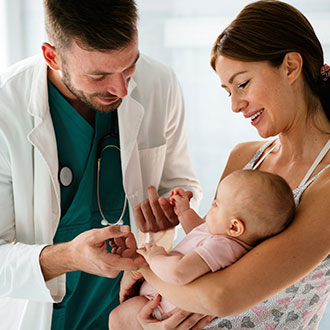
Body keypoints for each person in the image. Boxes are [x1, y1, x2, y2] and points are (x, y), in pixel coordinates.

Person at [118, 1, 330, 329]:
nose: (235, 105)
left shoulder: (327, 182)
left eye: (242, 84)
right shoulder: (245, 157)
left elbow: (221, 296)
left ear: (290, 66)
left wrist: (144, 267)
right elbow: (211, 247)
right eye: (227, 91)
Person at [0, 0, 203, 329]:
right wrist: (69, 256)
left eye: (130, 66)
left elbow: (182, 181)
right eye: (98, 76)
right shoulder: (5, 107)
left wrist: (172, 210)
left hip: (129, 312)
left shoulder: (159, 83)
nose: (121, 89)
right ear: (52, 55)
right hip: (41, 316)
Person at [109, 169, 295, 329]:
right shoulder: (222, 237)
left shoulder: (224, 247)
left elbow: (178, 272)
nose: (211, 205)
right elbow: (199, 233)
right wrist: (184, 212)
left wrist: (153, 258)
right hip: (157, 298)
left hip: (161, 310)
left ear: (234, 227)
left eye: (217, 204)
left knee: (116, 320)